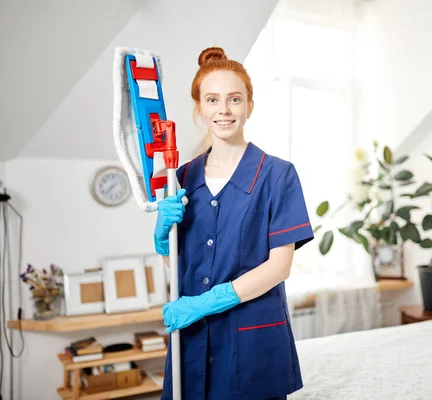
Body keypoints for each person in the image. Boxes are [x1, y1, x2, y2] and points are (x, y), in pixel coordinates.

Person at [154, 47, 314, 400]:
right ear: (199, 108)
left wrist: (204, 303)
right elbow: (181, 265)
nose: (223, 110)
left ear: (249, 106)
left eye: (234, 99)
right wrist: (164, 240)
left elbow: (279, 267)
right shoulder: (182, 177)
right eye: (212, 100)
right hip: (193, 337)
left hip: (252, 339)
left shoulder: (278, 175)